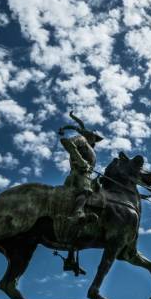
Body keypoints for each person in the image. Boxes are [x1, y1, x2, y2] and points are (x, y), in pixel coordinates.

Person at [57, 111, 104, 274]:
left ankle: (71, 257)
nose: (95, 141)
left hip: (86, 176)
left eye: (95, 139)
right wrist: (81, 160)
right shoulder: (81, 140)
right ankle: (77, 212)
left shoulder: (90, 147)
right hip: (78, 177)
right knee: (87, 191)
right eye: (94, 137)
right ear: (88, 136)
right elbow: (67, 142)